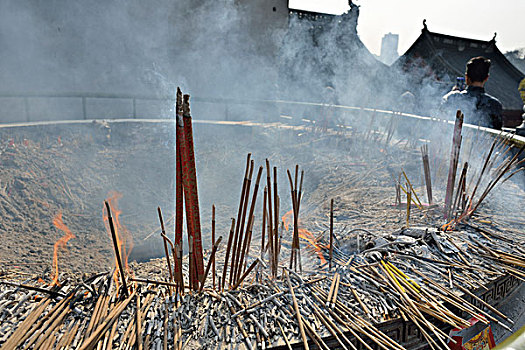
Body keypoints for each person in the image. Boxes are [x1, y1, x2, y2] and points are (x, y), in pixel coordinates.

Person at [442, 56, 503, 130]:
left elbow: (441, 111)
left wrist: (453, 93)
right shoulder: (494, 104)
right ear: (486, 78)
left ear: (466, 77)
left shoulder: (453, 97)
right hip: (483, 141)